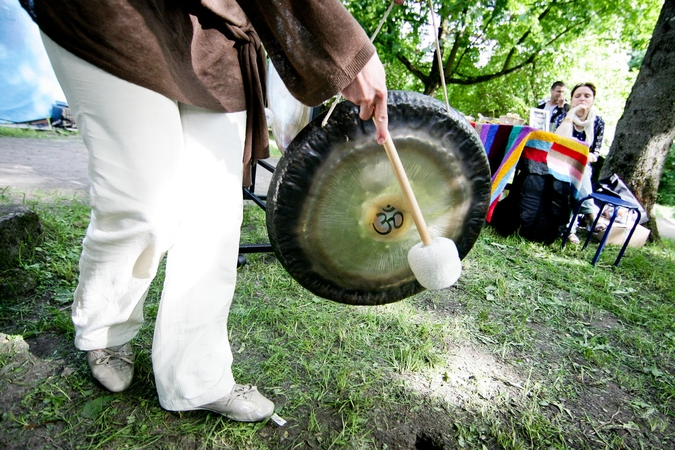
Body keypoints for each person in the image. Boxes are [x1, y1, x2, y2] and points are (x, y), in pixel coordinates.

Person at [19, 0, 402, 423]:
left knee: (215, 219)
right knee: (144, 205)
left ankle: (195, 377)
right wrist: (349, 53)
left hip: (214, 36)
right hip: (116, 17)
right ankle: (105, 329)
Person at [554, 82, 606, 244]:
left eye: (586, 96)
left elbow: (596, 152)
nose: (582, 99)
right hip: (559, 160)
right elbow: (558, 140)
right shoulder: (563, 117)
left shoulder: (598, 122)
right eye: (577, 96)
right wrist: (572, 113)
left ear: (593, 100)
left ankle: (568, 230)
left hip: (582, 165)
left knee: (577, 174)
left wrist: (587, 156)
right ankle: (590, 213)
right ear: (572, 99)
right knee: (576, 171)